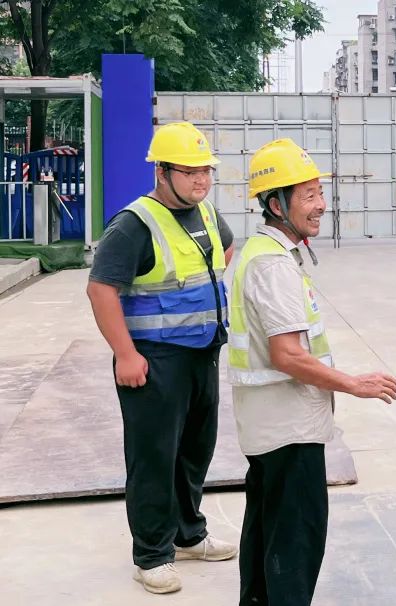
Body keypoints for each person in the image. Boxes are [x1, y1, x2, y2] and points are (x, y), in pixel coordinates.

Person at [228, 138, 396, 605]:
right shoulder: (272, 264)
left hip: (270, 426)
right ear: (276, 204)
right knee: (293, 547)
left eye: (320, 192)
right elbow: (287, 355)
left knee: (266, 538)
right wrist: (354, 384)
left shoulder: (266, 252)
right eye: (308, 195)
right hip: (288, 430)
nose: (321, 204)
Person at [86, 121, 237, 594]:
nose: (201, 179)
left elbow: (226, 250)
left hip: (202, 353)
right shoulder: (134, 224)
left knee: (194, 451)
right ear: (162, 172)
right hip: (154, 360)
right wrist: (125, 354)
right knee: (154, 457)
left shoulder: (205, 212)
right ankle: (152, 555)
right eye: (190, 172)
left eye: (205, 170)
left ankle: (188, 535)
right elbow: (101, 289)